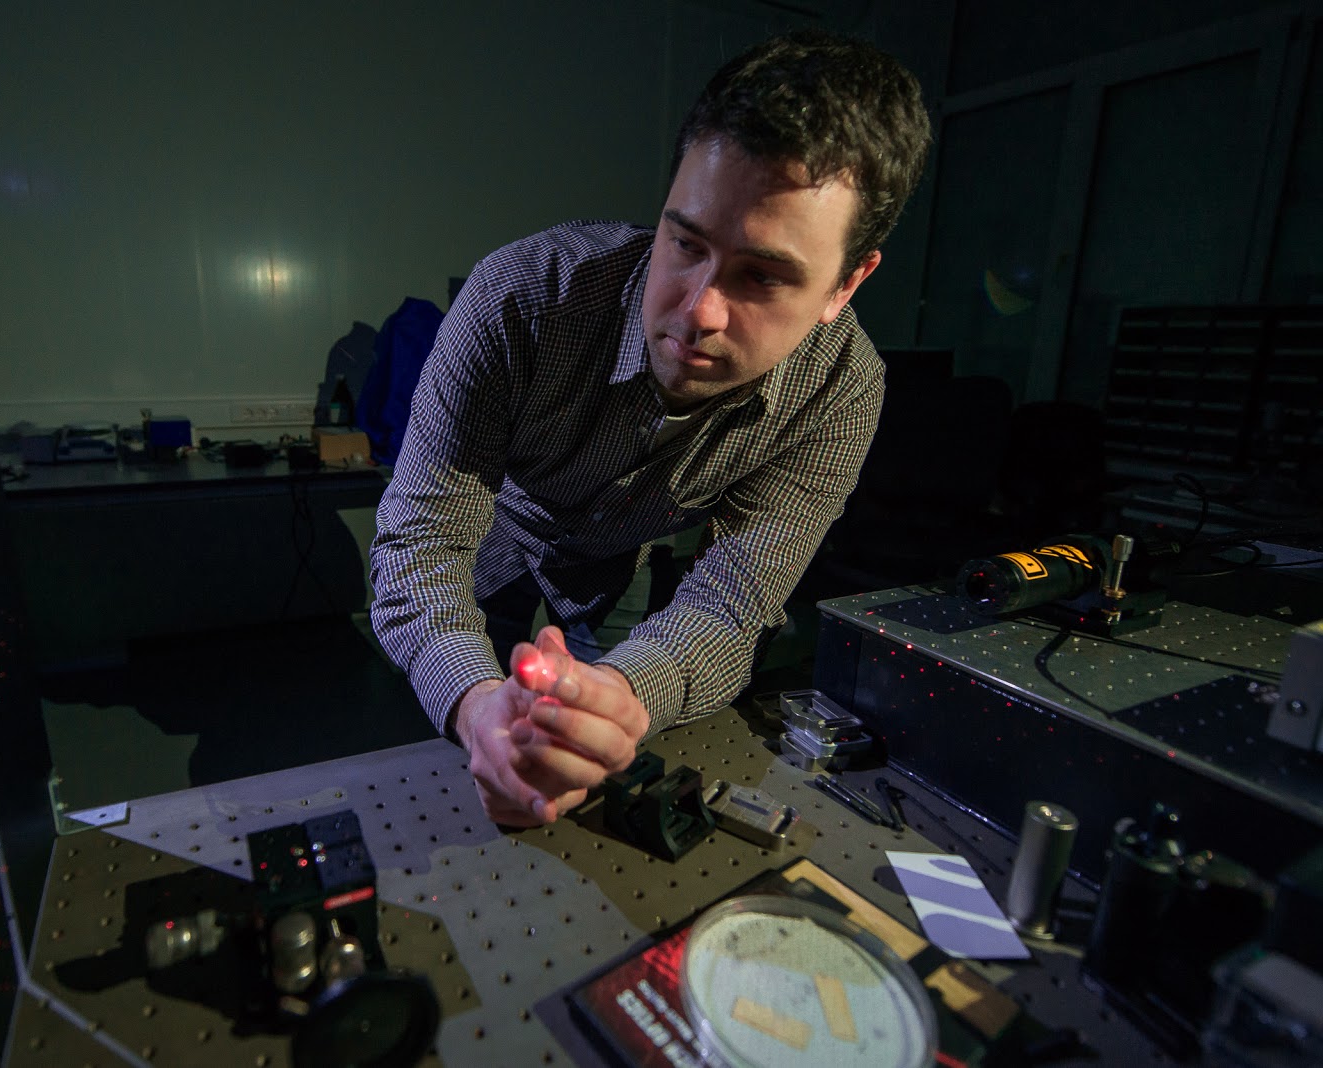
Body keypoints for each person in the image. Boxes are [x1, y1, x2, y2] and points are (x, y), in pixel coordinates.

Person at [369, 29, 931, 828]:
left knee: (606, 752)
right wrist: (475, 706)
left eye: (762, 275)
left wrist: (621, 697)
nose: (699, 312)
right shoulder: (520, 297)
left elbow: (733, 602)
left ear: (846, 284)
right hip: (491, 538)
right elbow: (423, 542)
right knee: (460, 750)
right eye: (686, 243)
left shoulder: (839, 392)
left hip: (615, 563)